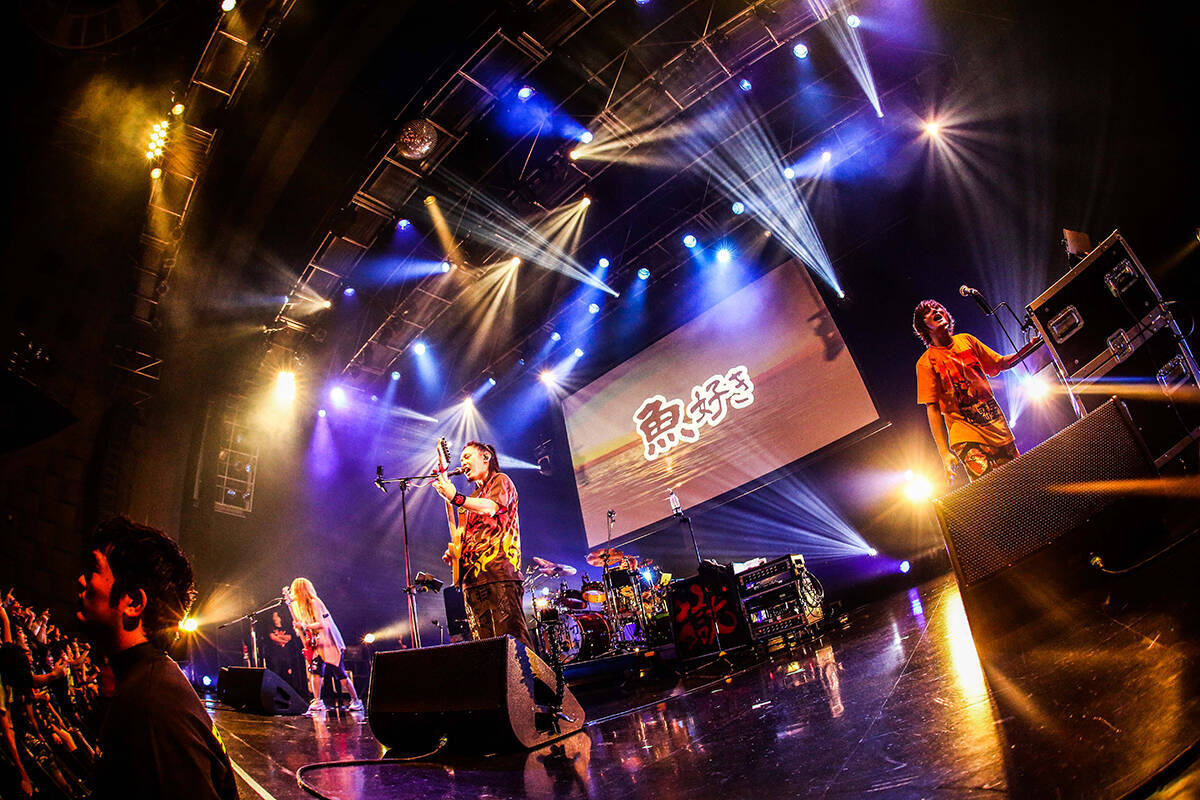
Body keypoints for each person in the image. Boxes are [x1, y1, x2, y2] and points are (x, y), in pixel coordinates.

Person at [76, 516, 238, 800]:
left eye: (94, 570)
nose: (81, 580)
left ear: (133, 603)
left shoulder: (150, 703)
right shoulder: (148, 682)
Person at [435, 441, 534, 650]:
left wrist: (455, 497)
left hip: (499, 575)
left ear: (486, 457)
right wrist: (457, 553)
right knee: (487, 649)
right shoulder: (472, 499)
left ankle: (532, 674)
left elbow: (490, 507)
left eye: (467, 456)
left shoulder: (500, 480)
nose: (463, 462)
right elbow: (466, 533)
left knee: (514, 645)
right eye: (461, 459)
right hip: (472, 582)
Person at [914, 299, 1027, 483]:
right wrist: (944, 453)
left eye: (938, 308)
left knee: (1019, 484)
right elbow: (932, 409)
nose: (935, 310)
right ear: (923, 327)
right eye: (928, 311)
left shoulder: (966, 340)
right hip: (965, 432)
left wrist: (1030, 349)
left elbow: (999, 363)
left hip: (997, 427)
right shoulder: (926, 363)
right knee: (989, 488)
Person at [285, 578, 363, 715]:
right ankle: (317, 700)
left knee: (340, 673)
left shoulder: (314, 602)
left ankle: (356, 700)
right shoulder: (302, 607)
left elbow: (321, 624)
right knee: (316, 671)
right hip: (317, 642)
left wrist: (304, 625)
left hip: (329, 640)